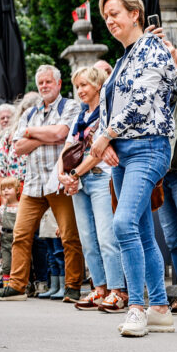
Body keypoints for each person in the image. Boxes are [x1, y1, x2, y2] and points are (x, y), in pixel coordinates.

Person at [89, 0, 176, 336]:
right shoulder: (124, 58)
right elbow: (106, 108)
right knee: (139, 230)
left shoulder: (152, 48)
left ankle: (137, 307)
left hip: (149, 147)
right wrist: (105, 141)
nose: (109, 21)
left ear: (134, 13)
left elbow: (141, 101)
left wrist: (107, 135)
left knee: (122, 224)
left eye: (115, 14)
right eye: (105, 16)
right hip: (123, 151)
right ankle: (159, 307)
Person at [0, 66, 84, 302]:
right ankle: (17, 286)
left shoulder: (70, 106)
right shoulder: (30, 112)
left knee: (69, 236)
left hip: (58, 182)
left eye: (48, 82)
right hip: (32, 184)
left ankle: (73, 286)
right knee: (20, 235)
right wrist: (47, 135)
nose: (44, 86)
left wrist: (32, 133)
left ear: (59, 84)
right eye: (40, 83)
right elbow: (18, 146)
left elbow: (62, 133)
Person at [58, 66, 126, 312]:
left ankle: (118, 290)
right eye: (77, 86)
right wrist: (63, 175)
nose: (80, 90)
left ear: (98, 85)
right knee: (87, 240)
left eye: (84, 85)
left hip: (99, 178)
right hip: (80, 181)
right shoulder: (80, 116)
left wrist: (75, 173)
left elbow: (98, 153)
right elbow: (67, 149)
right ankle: (99, 287)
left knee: (106, 238)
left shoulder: (105, 113)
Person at [0, 177, 19, 289]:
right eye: (3, 189)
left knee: (18, 264)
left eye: (9, 188)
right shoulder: (2, 209)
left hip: (17, 239)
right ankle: (6, 287)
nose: (6, 191)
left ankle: (18, 285)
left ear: (17, 190)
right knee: (6, 265)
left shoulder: (21, 207)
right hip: (5, 239)